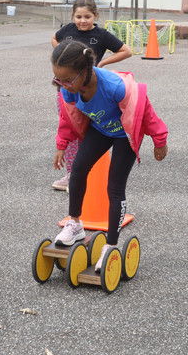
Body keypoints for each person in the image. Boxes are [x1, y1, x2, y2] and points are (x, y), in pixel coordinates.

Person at [51, 40, 168, 271]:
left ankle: (110, 245)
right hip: (101, 130)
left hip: (125, 134)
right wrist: (62, 144)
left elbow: (145, 110)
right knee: (78, 169)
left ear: (85, 70)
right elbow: (67, 117)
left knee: (114, 187)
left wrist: (160, 140)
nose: (63, 85)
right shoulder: (69, 90)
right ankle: (75, 224)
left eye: (67, 80)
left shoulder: (115, 87)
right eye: (58, 80)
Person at [50, 0, 132, 191]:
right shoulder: (68, 30)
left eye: (87, 16)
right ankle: (72, 174)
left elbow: (126, 51)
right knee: (71, 129)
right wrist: (61, 54)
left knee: (92, 132)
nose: (82, 21)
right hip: (67, 89)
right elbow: (54, 38)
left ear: (95, 15)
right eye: (78, 17)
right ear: (73, 16)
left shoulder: (101, 35)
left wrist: (102, 63)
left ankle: (90, 174)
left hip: (91, 91)